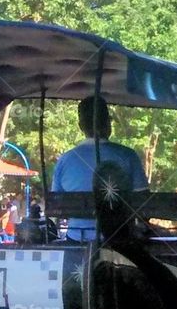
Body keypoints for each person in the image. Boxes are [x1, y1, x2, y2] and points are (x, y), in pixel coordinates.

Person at [51, 95, 149, 241]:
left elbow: (57, 206)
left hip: (78, 239)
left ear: (80, 127)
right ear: (108, 123)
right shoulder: (128, 156)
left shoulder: (65, 160)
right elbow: (144, 204)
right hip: (119, 241)